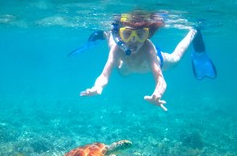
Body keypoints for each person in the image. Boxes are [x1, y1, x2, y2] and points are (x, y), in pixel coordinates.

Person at [79, 11, 216, 111]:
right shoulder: (117, 47)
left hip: (155, 63)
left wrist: (157, 93)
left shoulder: (148, 48)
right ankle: (106, 34)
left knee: (176, 58)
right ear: (120, 34)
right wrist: (98, 86)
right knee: (116, 57)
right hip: (126, 68)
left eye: (140, 35)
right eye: (127, 34)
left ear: (147, 35)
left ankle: (193, 31)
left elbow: (160, 79)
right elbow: (104, 75)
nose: (133, 40)